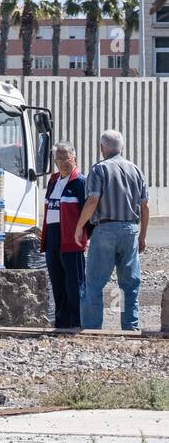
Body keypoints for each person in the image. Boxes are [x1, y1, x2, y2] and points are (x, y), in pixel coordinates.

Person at [75, 130, 149, 332]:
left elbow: (92, 200)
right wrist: (142, 236)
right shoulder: (136, 170)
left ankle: (92, 327)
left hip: (105, 229)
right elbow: (145, 207)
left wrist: (80, 226)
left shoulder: (99, 169)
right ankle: (130, 327)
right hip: (130, 229)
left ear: (102, 148)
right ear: (122, 148)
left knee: (94, 283)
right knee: (130, 283)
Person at [43, 143, 87, 328]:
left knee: (74, 283)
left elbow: (88, 212)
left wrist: (84, 235)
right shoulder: (53, 180)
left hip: (71, 238)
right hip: (53, 236)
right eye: (58, 159)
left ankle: (78, 321)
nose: (62, 162)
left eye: (66, 158)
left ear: (74, 158)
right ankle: (61, 322)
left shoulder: (80, 182)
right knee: (57, 279)